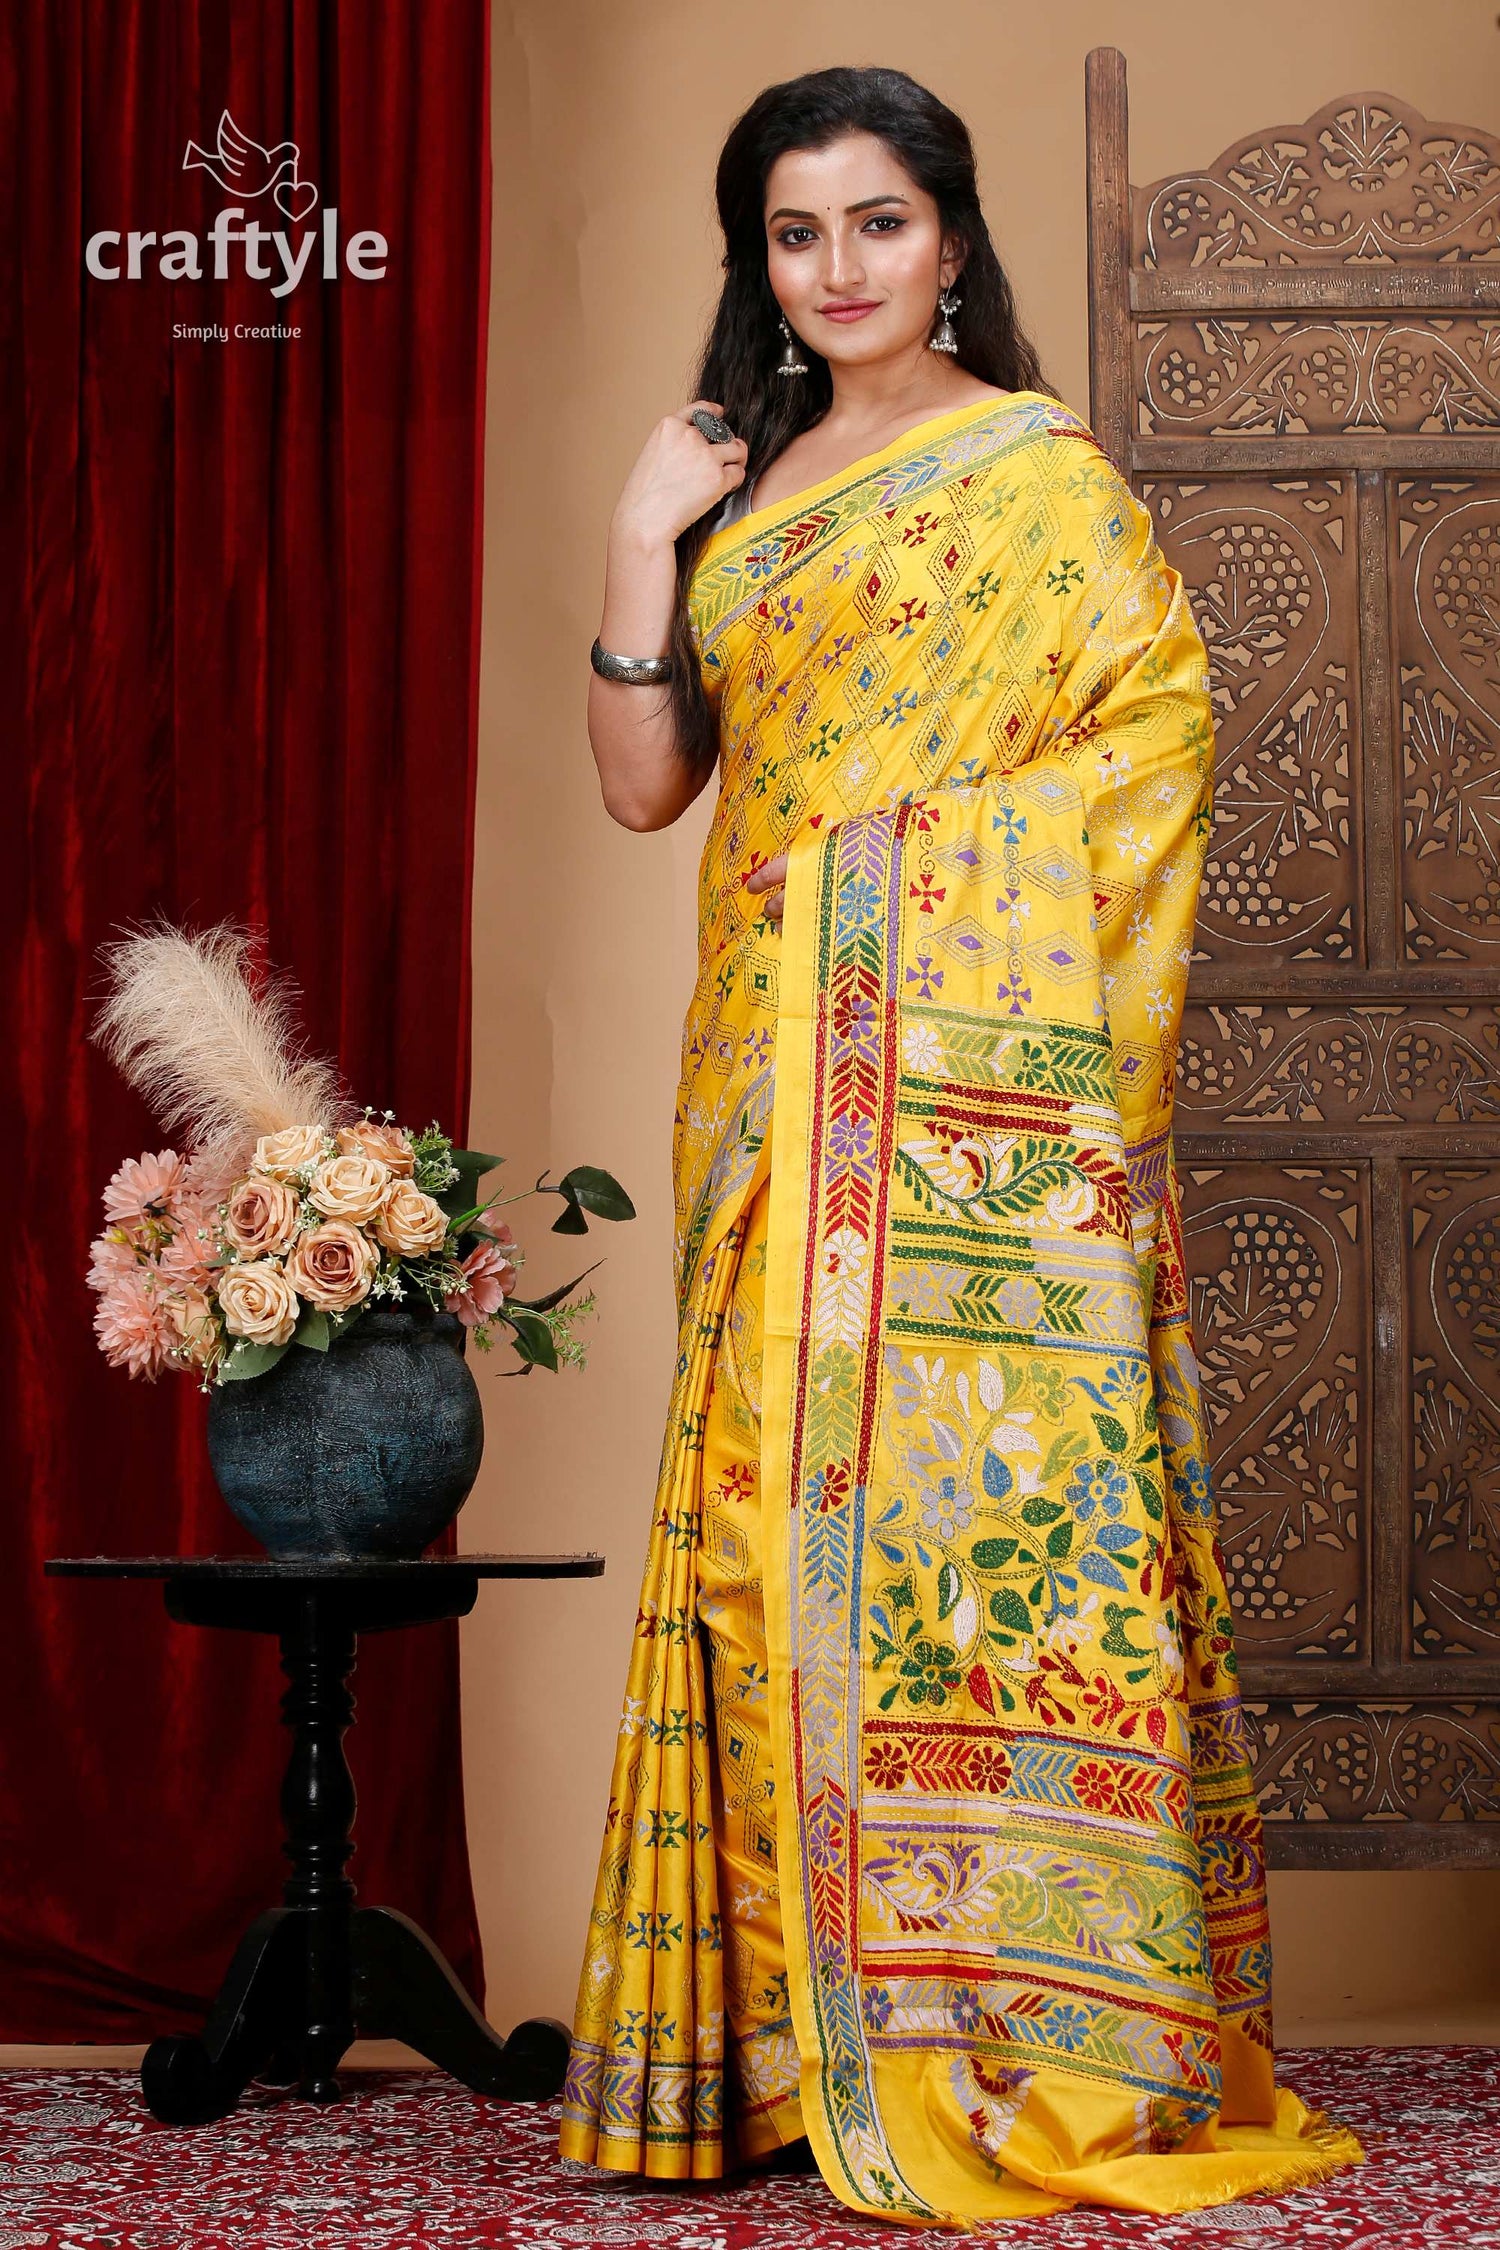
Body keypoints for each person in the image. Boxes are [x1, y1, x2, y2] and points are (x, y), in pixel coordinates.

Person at [559, 64, 1363, 2228]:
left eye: (879, 225)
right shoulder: (737, 483)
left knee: (974, 1532)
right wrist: (644, 537)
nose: (837, 271)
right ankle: (775, 2045)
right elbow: (651, 792)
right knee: (765, 1545)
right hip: (762, 1094)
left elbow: (1158, 727)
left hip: (962, 1105)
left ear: (950, 238)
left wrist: (912, 898)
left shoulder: (1037, 479)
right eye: (795, 235)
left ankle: (1011, 2042)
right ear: (760, 260)